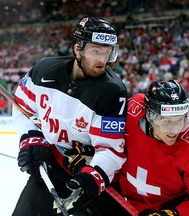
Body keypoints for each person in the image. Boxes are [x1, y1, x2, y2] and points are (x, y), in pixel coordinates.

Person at [11, 16, 128, 216]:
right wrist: (31, 139)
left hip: (87, 172)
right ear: (77, 49)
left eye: (108, 52)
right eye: (96, 51)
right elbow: (23, 107)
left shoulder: (111, 92)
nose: (102, 59)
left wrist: (93, 176)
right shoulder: (44, 70)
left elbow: (111, 149)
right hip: (52, 165)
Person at [86, 80, 189, 216]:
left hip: (178, 206)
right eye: (165, 121)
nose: (174, 130)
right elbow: (105, 142)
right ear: (149, 115)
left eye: (180, 120)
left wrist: (169, 214)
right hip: (126, 201)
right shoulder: (130, 111)